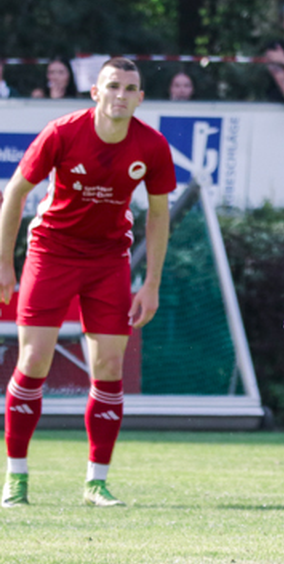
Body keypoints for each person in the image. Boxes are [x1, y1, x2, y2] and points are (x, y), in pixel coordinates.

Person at [0, 58, 176, 509]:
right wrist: (4, 264)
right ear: (95, 93)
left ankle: (96, 481)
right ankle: (15, 476)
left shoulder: (152, 146)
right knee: (35, 360)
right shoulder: (62, 132)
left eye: (130, 88)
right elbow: (16, 193)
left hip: (108, 260)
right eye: (112, 86)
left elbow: (159, 215)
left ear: (140, 97)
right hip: (51, 252)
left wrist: (151, 283)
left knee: (110, 369)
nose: (121, 94)